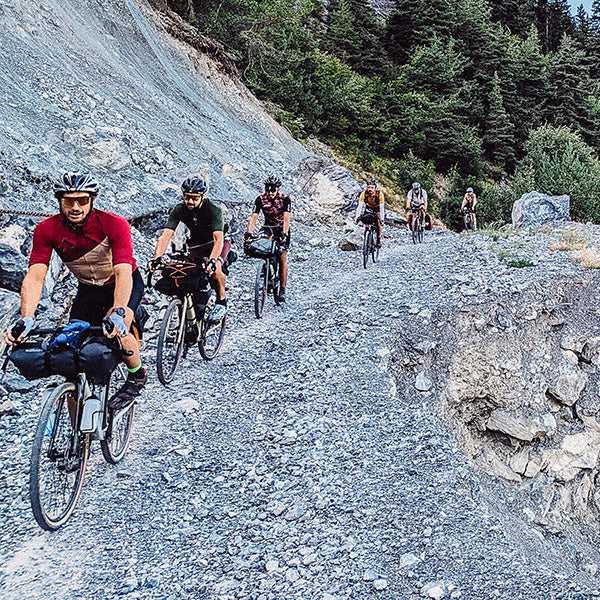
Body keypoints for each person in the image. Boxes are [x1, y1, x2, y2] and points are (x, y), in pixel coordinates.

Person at [4, 172, 146, 411]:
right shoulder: (47, 229)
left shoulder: (113, 224)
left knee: (119, 328)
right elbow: (35, 275)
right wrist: (26, 318)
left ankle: (136, 375)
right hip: (88, 290)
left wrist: (119, 311)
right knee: (71, 353)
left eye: (82, 200)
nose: (75, 206)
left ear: (92, 200)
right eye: (69, 200)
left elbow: (123, 272)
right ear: (60, 201)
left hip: (122, 283)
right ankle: (76, 440)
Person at [153, 177, 229, 322]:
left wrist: (212, 260)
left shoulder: (213, 210)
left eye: (194, 198)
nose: (190, 201)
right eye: (187, 197)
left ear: (203, 196)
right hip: (196, 245)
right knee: (187, 274)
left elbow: (218, 239)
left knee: (216, 269)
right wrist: (157, 258)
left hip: (217, 242)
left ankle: (221, 302)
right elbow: (166, 236)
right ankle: (189, 319)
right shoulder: (179, 210)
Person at [244, 175, 291, 303]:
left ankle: (282, 288)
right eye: (267, 190)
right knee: (262, 245)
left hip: (281, 228)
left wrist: (284, 233)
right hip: (268, 227)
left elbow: (286, 219)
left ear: (278, 189)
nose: (269, 193)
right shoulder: (260, 199)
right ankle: (266, 271)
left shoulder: (285, 199)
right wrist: (249, 232)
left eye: (272, 190)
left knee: (281, 255)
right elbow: (254, 217)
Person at [355, 178, 385, 248]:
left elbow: (382, 208)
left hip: (377, 208)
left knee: (378, 222)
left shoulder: (380, 194)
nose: (370, 189)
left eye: (372, 187)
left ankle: (378, 240)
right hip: (369, 208)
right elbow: (360, 207)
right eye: (368, 187)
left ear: (375, 188)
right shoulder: (364, 194)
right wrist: (356, 218)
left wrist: (382, 220)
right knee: (367, 225)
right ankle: (366, 241)